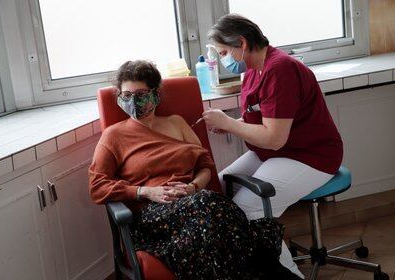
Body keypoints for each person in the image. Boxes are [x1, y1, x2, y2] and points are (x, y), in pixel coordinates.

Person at [88, 60, 299, 279]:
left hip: (195, 207)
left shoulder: (176, 123)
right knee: (212, 208)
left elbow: (205, 165)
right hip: (152, 217)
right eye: (126, 95)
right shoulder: (113, 136)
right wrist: (145, 191)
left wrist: (193, 187)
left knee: (208, 221)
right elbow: (97, 185)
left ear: (155, 95)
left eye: (140, 94)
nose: (133, 101)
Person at [204, 14, 344, 278]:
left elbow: (275, 137)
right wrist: (230, 123)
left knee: (248, 208)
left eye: (224, 52)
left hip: (311, 155)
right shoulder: (253, 72)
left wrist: (229, 123)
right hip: (274, 152)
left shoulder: (280, 69)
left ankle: (288, 275)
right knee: (218, 190)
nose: (224, 60)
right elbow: (261, 118)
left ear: (241, 43)